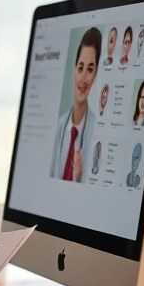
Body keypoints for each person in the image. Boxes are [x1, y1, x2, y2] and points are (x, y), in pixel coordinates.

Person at [49, 27, 101, 182]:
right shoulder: (59, 126)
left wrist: (78, 178)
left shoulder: (96, 130)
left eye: (90, 70)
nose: (83, 79)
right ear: (74, 70)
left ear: (96, 75)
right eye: (80, 68)